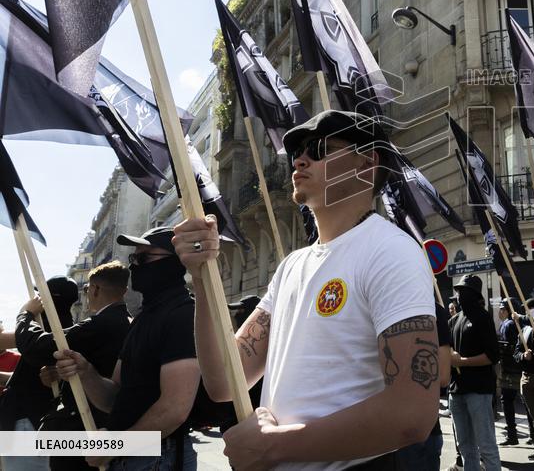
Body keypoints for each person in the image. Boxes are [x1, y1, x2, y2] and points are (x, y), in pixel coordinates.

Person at [174, 109, 438, 470]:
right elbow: (223, 379)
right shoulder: (290, 267)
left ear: (367, 162)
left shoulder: (391, 250)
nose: (300, 159)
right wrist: (202, 278)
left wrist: (274, 447)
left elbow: (412, 414)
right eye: (297, 151)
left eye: (319, 148)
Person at [54, 228, 201, 470]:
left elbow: (175, 408)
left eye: (143, 259)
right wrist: (85, 371)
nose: (134, 267)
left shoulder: (183, 314)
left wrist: (116, 444)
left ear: (174, 261)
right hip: (131, 456)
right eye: (133, 259)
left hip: (158, 457)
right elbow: (116, 397)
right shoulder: (143, 318)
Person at [18, 262, 132, 471]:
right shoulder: (129, 322)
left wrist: (25, 315)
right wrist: (62, 376)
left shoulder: (102, 323)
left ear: (95, 289)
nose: (87, 295)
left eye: (87, 289)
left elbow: (40, 347)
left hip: (85, 428)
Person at [1, 276, 78, 471]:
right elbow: (28, 380)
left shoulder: (45, 330)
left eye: (39, 294)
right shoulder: (68, 327)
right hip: (37, 423)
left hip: (29, 423)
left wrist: (25, 312)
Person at [448, 274, 501, 471]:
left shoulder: (483, 317)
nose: (459, 294)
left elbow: (492, 356)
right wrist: (449, 354)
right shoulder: (453, 321)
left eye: (463, 290)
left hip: (479, 390)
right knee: (465, 447)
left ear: (473, 293)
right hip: (457, 391)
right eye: (458, 290)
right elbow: (448, 351)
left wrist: (463, 361)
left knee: (486, 445)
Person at [397, 301, 452, 470]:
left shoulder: (433, 310)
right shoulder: (436, 311)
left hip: (413, 431)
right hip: (415, 429)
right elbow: (443, 376)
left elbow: (443, 376)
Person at [513, 298, 534, 460]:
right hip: (526, 377)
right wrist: (522, 356)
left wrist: (522, 317)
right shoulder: (524, 330)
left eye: (528, 310)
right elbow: (516, 352)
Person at [497, 300, 522, 446]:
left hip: (510, 369)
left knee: (507, 401)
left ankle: (512, 435)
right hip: (520, 367)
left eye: (502, 309)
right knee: (527, 402)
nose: (500, 312)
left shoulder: (508, 324)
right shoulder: (520, 322)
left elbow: (507, 347)